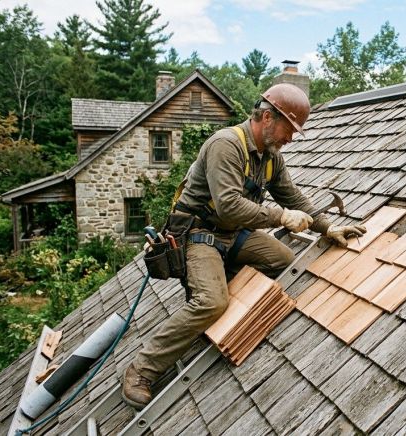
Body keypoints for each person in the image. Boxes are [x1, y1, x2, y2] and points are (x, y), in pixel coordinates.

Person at [121, 83, 366, 409]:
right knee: (210, 303)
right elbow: (228, 207)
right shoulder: (226, 145)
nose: (290, 138)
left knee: (283, 258)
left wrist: (327, 226)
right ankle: (142, 370)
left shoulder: (270, 158)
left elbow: (292, 197)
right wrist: (281, 217)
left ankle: (228, 280)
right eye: (288, 129)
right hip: (199, 236)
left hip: (233, 235)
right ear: (267, 117)